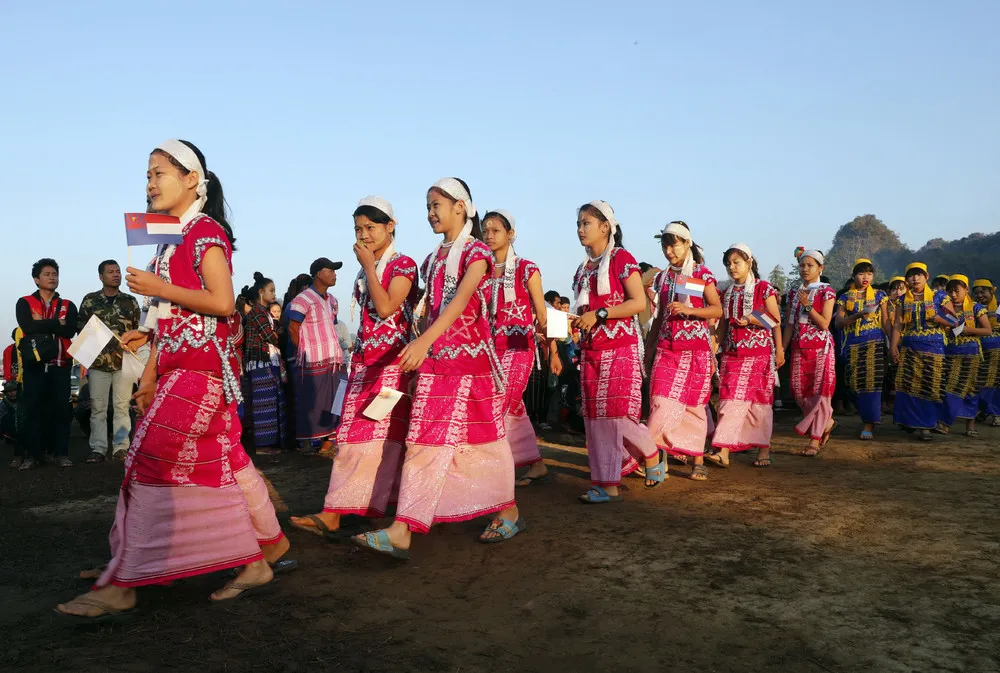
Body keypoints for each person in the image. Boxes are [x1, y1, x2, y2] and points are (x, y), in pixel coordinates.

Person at [55, 139, 284, 620]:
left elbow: (222, 302)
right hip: (184, 367)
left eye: (159, 173)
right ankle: (267, 550)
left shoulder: (205, 232)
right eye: (148, 175)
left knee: (147, 460)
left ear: (192, 180)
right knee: (230, 465)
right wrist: (153, 371)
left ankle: (123, 579)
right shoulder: (170, 240)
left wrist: (160, 289)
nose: (150, 183)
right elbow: (167, 317)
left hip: (203, 371)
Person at [352, 178, 522, 559]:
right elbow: (428, 311)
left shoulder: (477, 253)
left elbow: (461, 302)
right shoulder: (433, 259)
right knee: (425, 440)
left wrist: (423, 341)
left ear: (461, 207)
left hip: (469, 364)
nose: (430, 213)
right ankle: (403, 527)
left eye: (437, 205)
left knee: (482, 441)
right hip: (437, 363)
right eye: (428, 206)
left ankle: (506, 508)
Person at [291, 196, 418, 537]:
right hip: (364, 364)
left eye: (371, 228)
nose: (364, 235)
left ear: (391, 227)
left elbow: (388, 307)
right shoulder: (367, 270)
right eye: (358, 229)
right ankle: (345, 508)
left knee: (380, 438)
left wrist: (371, 268)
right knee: (355, 438)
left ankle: (362, 509)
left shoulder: (403, 265)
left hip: (393, 365)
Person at [571, 200, 663, 502]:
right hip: (591, 348)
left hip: (619, 347)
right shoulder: (583, 269)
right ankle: (614, 472)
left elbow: (638, 302)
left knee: (612, 416)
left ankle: (614, 479)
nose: (581, 229)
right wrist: (576, 323)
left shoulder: (622, 258)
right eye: (579, 224)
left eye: (586, 223)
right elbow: (585, 308)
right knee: (595, 418)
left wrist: (599, 315)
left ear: (606, 227)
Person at [482, 209, 559, 486]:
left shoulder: (528, 268)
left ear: (510, 234)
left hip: (519, 348)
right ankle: (534, 463)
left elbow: (544, 313)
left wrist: (554, 351)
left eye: (496, 231)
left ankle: (496, 470)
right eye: (485, 231)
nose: (489, 236)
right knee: (514, 408)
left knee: (502, 403)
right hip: (491, 350)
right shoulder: (481, 269)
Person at [643, 221, 721, 481]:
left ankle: (697, 459)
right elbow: (658, 317)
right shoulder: (663, 277)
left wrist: (690, 311)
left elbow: (716, 309)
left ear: (687, 243)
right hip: (667, 347)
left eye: (673, 244)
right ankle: (655, 455)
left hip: (695, 349)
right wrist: (649, 348)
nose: (668, 251)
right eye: (665, 245)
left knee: (694, 404)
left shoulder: (701, 274)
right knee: (660, 401)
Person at [709, 244, 783, 468]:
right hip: (732, 353)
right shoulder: (726, 292)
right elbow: (722, 325)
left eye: (736, 263)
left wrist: (753, 321)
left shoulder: (764, 288)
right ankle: (724, 450)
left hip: (758, 354)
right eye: (728, 264)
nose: (732, 268)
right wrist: (714, 348)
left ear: (749, 262)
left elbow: (775, 320)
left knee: (757, 403)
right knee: (729, 401)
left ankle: (759, 450)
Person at [15, 258, 78, 470]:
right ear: (36, 279)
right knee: (32, 411)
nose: (52, 277)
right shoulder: (25, 302)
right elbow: (27, 326)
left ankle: (61, 454)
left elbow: (69, 330)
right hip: (34, 366)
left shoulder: (68, 305)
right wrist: (54, 323)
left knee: (62, 411)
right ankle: (33, 456)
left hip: (60, 365)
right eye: (47, 274)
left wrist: (41, 324)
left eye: (55, 274)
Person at [77, 260, 141, 463]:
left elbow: (139, 330)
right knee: (98, 408)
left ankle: (121, 447)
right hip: (98, 364)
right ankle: (98, 448)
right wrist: (83, 360)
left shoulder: (130, 302)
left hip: (124, 362)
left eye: (118, 271)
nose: (116, 275)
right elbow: (81, 330)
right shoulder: (89, 301)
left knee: (122, 406)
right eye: (111, 272)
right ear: (101, 276)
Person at [782, 249, 837, 456]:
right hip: (798, 347)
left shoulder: (827, 292)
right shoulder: (794, 293)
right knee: (798, 391)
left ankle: (814, 440)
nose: (805, 269)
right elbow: (789, 324)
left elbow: (824, 323)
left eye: (810, 266)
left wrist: (807, 306)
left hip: (820, 349)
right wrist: (782, 348)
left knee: (819, 395)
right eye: (802, 265)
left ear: (820, 268)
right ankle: (827, 422)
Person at [287, 258, 344, 453]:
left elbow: (331, 325)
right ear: (319, 273)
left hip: (332, 358)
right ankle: (305, 442)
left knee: (333, 400)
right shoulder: (302, 299)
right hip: (312, 358)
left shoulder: (333, 300)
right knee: (311, 401)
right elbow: (293, 328)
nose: (335, 274)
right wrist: (303, 350)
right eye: (331, 270)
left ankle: (329, 440)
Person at [889, 262, 952, 441]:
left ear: (927, 276)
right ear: (906, 278)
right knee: (908, 384)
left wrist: (940, 318)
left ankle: (926, 425)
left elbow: (956, 322)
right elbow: (898, 325)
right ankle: (910, 421)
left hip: (934, 348)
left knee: (930, 385)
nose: (915, 278)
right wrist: (893, 346)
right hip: (910, 347)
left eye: (919, 275)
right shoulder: (902, 299)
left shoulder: (940, 297)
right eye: (911, 275)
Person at [834, 259, 890, 440]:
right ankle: (867, 416)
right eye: (861, 273)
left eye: (869, 273)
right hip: (853, 344)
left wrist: (894, 344)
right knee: (854, 385)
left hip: (875, 343)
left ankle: (869, 423)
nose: (865, 277)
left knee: (872, 383)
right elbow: (839, 323)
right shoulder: (844, 298)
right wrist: (857, 315)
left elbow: (886, 322)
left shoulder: (880, 296)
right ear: (853, 276)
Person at [936, 275, 991, 437]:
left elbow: (987, 330)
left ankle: (946, 423)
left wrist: (968, 330)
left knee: (959, 387)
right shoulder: (945, 308)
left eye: (957, 291)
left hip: (971, 353)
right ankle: (969, 425)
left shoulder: (976, 307)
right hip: (951, 352)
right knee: (966, 388)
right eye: (950, 291)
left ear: (966, 290)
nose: (953, 295)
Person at [241, 272, 286, 453]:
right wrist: (278, 334)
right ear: (261, 292)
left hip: (265, 360)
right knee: (264, 403)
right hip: (261, 362)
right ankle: (264, 445)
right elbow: (270, 337)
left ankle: (269, 443)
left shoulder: (262, 312)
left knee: (268, 401)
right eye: (271, 290)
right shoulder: (258, 313)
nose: (274, 294)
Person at [971, 279, 1000, 425]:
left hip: (997, 352)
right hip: (977, 350)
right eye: (976, 293)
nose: (980, 295)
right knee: (979, 383)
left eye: (983, 292)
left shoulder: (999, 307)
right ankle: (987, 409)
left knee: (994, 384)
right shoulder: (972, 308)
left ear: (992, 292)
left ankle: (995, 414)